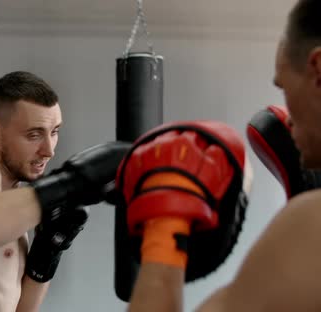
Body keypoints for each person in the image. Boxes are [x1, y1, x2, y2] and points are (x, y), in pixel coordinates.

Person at [121, 0, 321, 311]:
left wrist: (165, 230)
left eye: (284, 87)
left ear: (318, 71)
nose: (290, 119)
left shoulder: (311, 224)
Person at [0, 71, 129, 312]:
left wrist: (48, 250)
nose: (48, 150)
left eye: (55, 132)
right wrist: (68, 184)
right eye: (34, 134)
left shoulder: (8, 207)